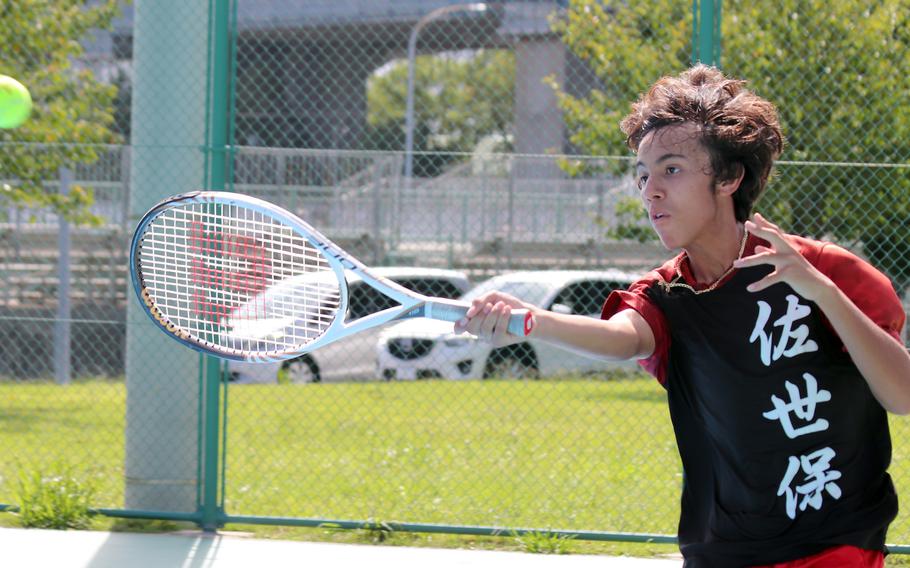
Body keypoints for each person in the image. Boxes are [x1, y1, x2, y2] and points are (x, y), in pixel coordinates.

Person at [454, 64, 910, 567]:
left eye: (671, 170)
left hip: (834, 543)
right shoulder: (667, 293)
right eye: (643, 175)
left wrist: (821, 292)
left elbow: (903, 396)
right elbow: (622, 338)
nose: (650, 191)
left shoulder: (826, 270)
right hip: (724, 550)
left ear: (730, 177)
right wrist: (533, 319)